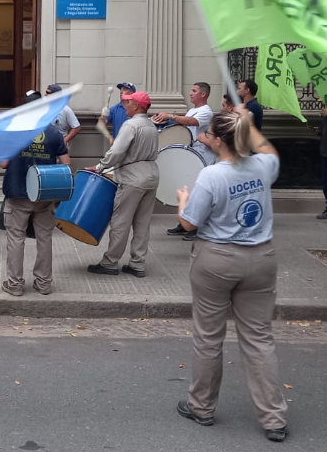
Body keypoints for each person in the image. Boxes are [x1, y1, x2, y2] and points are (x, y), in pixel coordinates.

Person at [174, 106, 288, 443]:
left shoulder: (212, 175)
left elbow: (189, 223)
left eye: (208, 134)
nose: (204, 137)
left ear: (220, 140)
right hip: (261, 257)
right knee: (259, 339)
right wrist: (249, 124)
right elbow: (269, 151)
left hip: (218, 259)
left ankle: (202, 406)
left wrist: (182, 200)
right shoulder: (262, 166)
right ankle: (273, 418)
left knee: (209, 337)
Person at [0, 91, 70, 296]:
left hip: (16, 192)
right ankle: (44, 283)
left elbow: (3, 162)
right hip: (43, 194)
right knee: (44, 238)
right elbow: (66, 163)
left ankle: (14, 284)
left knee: (15, 238)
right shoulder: (55, 133)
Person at [86, 91, 159, 277]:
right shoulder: (151, 125)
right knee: (142, 223)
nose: (125, 105)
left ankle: (110, 263)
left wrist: (101, 166)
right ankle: (137, 264)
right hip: (151, 175)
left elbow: (117, 151)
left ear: (137, 106)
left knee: (121, 222)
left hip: (132, 177)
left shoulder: (131, 125)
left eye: (128, 102)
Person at [156, 82, 215, 236]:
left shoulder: (206, 111)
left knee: (196, 192)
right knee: (186, 190)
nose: (190, 93)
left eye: (194, 91)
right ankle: (184, 223)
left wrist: (171, 116)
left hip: (199, 156)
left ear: (203, 94)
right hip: (188, 154)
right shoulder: (192, 110)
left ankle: (195, 226)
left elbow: (192, 122)